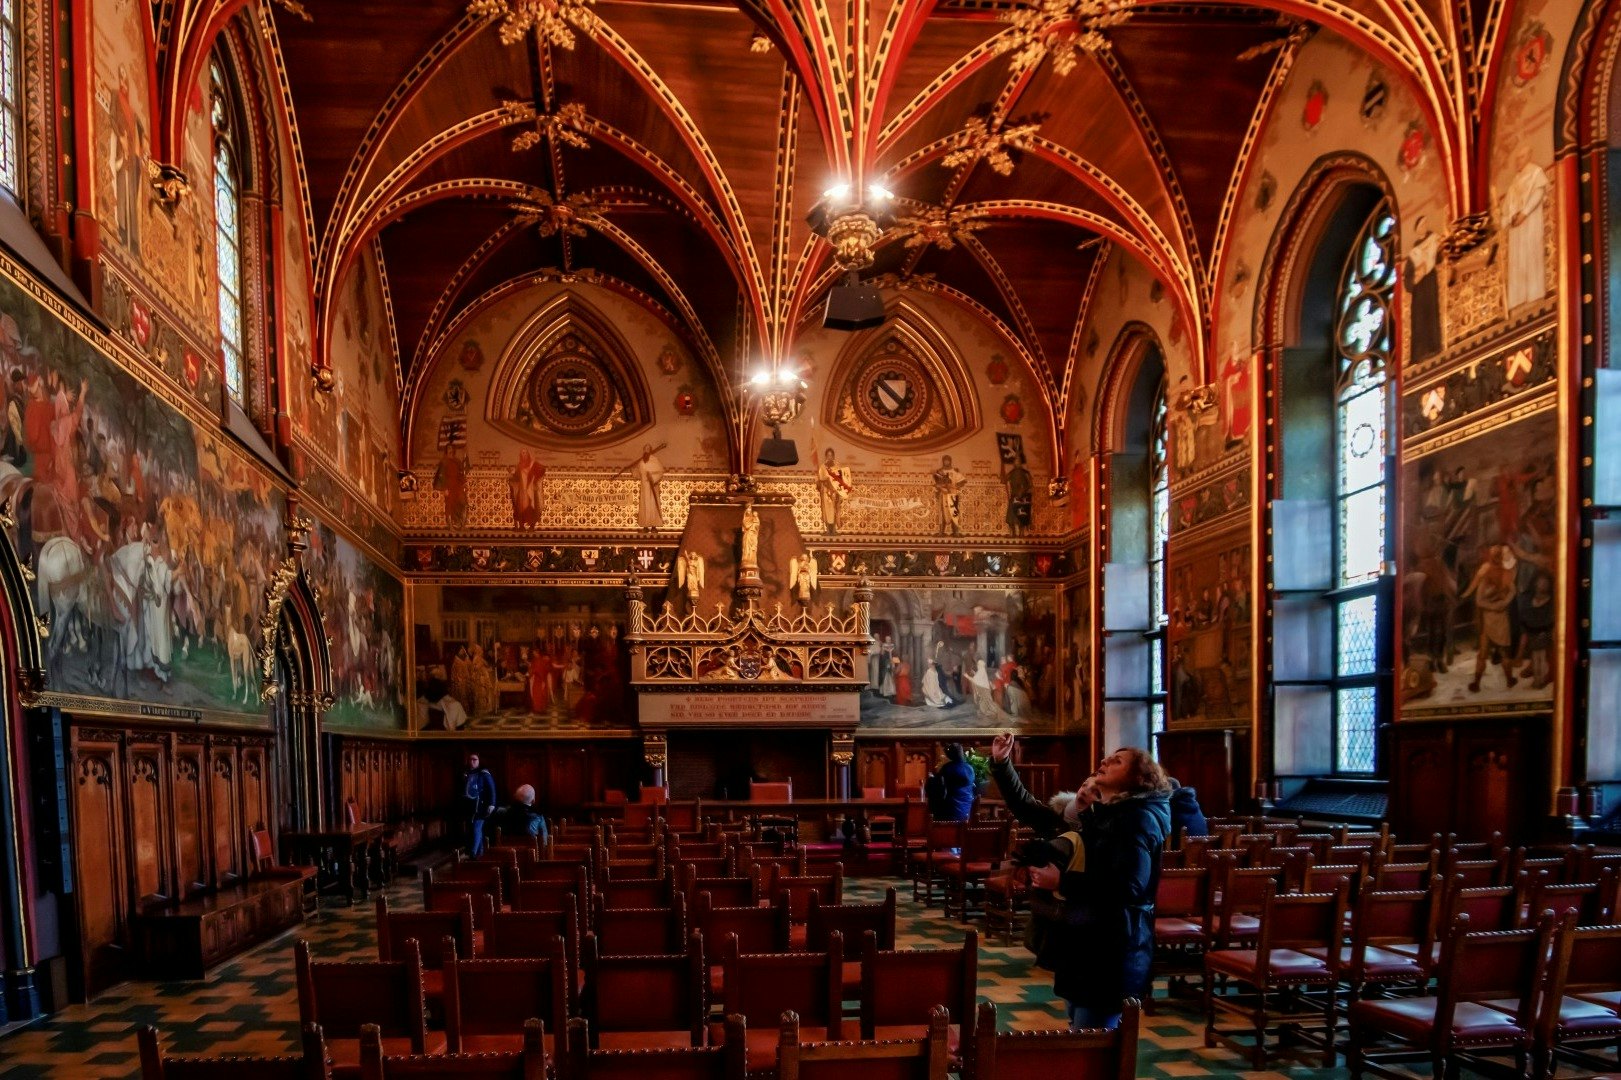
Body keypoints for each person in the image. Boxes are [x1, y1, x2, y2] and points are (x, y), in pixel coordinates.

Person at [989, 732, 1170, 1032]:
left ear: (1138, 778)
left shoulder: (1135, 819)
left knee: (1092, 1039)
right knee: (1082, 1030)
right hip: (1091, 945)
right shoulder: (1107, 816)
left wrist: (1062, 880)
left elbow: (1129, 886)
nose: (1104, 762)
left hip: (1112, 948)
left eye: (1117, 761)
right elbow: (1024, 805)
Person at [457, 752, 497, 855]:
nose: (472, 762)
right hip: (468, 805)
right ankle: (479, 852)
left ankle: (472, 853)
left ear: (479, 761)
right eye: (470, 759)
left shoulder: (484, 773)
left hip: (480, 805)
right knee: (472, 829)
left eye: (474, 759)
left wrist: (491, 804)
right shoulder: (466, 773)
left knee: (476, 827)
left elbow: (491, 789)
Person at [929, 743, 977, 822]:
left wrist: (931, 779)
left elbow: (938, 787)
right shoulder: (969, 768)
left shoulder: (948, 768)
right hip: (966, 811)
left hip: (950, 811)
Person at [816, 447, 853, 534]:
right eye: (828, 455)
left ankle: (834, 529)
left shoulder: (837, 467)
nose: (829, 457)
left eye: (831, 455)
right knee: (827, 511)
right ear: (826, 456)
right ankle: (828, 529)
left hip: (834, 492)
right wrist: (827, 477)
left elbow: (841, 478)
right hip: (826, 492)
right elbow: (821, 477)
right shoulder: (822, 467)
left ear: (833, 456)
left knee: (834, 511)